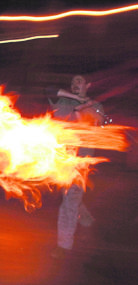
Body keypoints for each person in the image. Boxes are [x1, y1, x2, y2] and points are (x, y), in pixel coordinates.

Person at [46, 74, 104, 259]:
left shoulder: (96, 106)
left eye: (79, 81)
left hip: (80, 162)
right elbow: (48, 90)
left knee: (69, 200)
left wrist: (80, 108)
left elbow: (87, 127)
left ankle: (64, 245)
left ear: (88, 84)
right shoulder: (64, 100)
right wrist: (75, 99)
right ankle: (85, 217)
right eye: (72, 82)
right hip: (61, 159)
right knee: (66, 194)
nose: (74, 84)